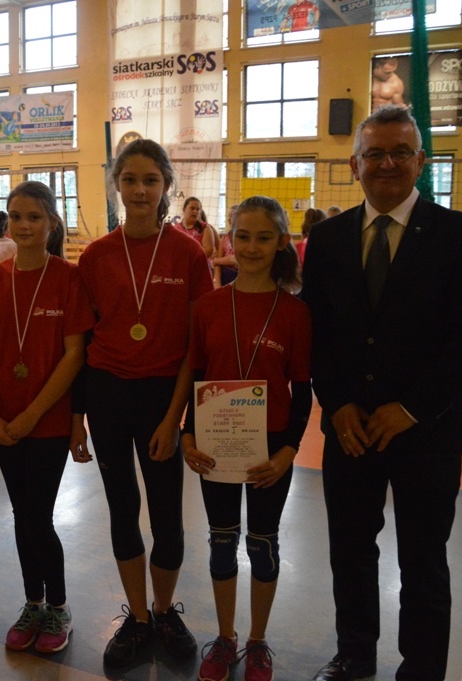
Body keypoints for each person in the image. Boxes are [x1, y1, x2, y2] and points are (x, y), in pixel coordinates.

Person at [301, 105, 462, 681]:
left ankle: (423, 669)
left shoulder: (460, 236)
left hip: (428, 432)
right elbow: (316, 334)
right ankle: (355, 655)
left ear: (421, 160)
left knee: (423, 560)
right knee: (350, 551)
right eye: (374, 154)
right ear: (354, 164)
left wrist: (411, 408)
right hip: (350, 431)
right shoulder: (328, 238)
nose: (386, 163)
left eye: (399, 152)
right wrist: (337, 403)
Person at [74, 138, 214, 668]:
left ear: (166, 186)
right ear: (117, 184)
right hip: (108, 394)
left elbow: (195, 348)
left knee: (167, 514)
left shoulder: (188, 253)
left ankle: (163, 611)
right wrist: (78, 417)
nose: (139, 190)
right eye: (129, 179)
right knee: (122, 508)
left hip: (162, 396)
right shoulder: (96, 255)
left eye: (150, 180)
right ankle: (136, 617)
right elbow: (82, 342)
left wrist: (175, 418)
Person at [183, 196, 311, 681]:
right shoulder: (208, 306)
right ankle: (225, 637)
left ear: (281, 242)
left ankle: (257, 641)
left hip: (270, 449)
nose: (252, 247)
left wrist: (288, 451)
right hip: (215, 445)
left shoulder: (295, 312)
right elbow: (197, 376)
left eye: (263, 237)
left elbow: (303, 390)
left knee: (262, 545)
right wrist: (188, 435)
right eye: (243, 236)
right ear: (229, 239)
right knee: (221, 544)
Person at [0, 181, 94, 654]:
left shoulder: (68, 278)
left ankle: (58, 606)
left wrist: (34, 415)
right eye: (16, 216)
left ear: (52, 224)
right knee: (23, 515)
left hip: (48, 421)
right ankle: (33, 602)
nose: (23, 225)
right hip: (3, 422)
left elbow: (75, 355)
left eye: (34, 217)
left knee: (38, 515)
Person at [177, 196, 217, 261]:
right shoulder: (176, 228)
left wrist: (188, 256)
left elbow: (208, 251)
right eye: (192, 208)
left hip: (200, 264)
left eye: (198, 209)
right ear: (184, 209)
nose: (195, 211)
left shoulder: (206, 228)